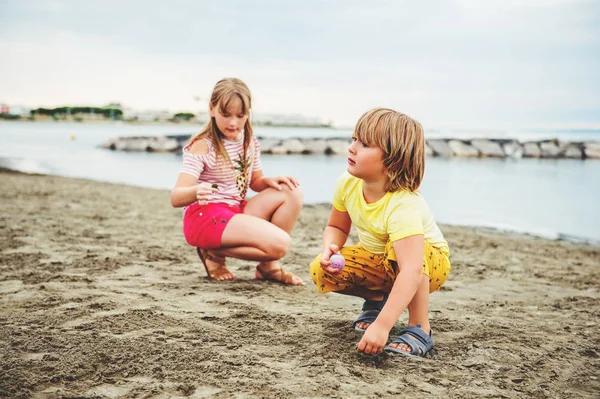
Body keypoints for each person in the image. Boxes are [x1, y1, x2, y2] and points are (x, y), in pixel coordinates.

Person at [309, 108, 451, 357]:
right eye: (354, 139)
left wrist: (382, 327)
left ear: (394, 157)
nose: (352, 147)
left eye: (365, 144)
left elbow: (412, 270)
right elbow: (337, 227)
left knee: (399, 252)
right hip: (382, 264)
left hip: (426, 266)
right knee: (320, 269)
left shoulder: (403, 203)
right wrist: (330, 246)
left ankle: (419, 326)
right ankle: (377, 298)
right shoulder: (347, 182)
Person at [171, 78, 304, 285]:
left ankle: (267, 267)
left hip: (235, 210)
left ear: (247, 114)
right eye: (226, 115)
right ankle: (212, 251)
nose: (233, 123)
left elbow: (254, 182)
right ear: (211, 109)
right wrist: (196, 190)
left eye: (240, 116)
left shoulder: (248, 141)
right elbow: (176, 196)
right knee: (280, 244)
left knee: (291, 190)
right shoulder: (202, 146)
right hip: (206, 217)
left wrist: (268, 180)